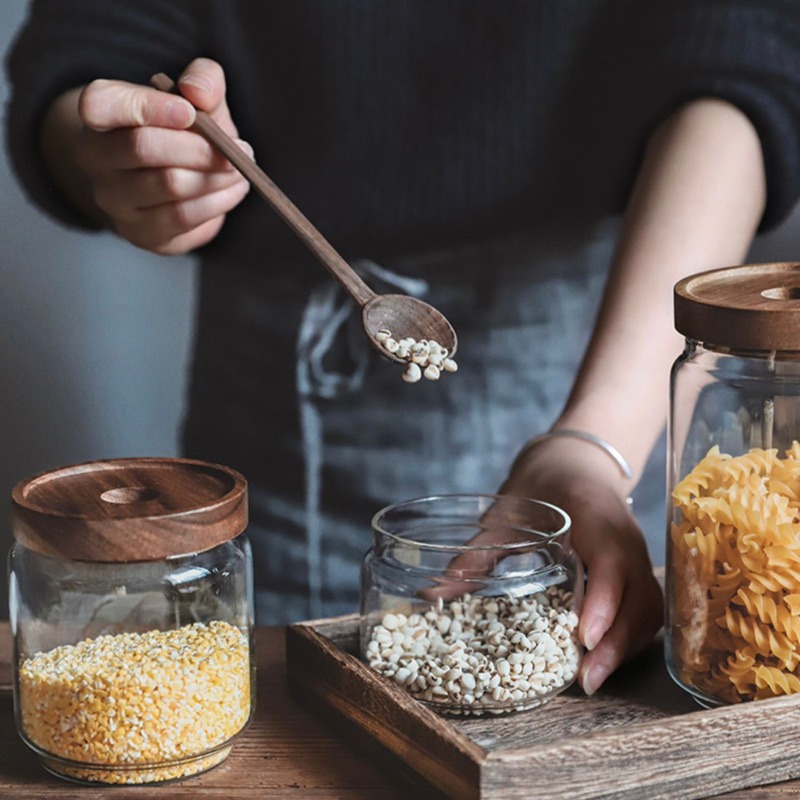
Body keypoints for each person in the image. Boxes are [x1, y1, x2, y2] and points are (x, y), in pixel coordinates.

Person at [6, 1, 800, 697]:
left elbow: (743, 55)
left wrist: (595, 442)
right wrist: (119, 156)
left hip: (626, 337)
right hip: (283, 410)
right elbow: (89, 47)